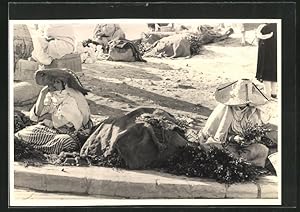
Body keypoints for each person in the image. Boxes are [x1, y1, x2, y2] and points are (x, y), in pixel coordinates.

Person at [198, 79, 274, 167]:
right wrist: (234, 138)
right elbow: (215, 136)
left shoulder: (253, 111)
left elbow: (256, 134)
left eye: (246, 103)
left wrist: (248, 140)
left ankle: (241, 163)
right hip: (225, 145)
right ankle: (237, 162)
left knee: (262, 149)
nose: (243, 105)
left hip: (242, 148)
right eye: (240, 102)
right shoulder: (224, 109)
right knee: (213, 148)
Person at [15, 68, 92, 154]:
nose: (54, 85)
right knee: (25, 134)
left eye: (58, 82)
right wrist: (42, 94)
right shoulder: (52, 96)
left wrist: (47, 116)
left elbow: (67, 120)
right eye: (53, 82)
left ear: (65, 84)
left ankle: (38, 148)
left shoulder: (71, 98)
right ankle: (40, 147)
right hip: (48, 131)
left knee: (64, 142)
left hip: (67, 133)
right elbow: (37, 114)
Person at [255, 23, 277, 99]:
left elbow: (259, 36)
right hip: (276, 49)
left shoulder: (264, 27)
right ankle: (274, 93)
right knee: (275, 68)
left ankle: (267, 95)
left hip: (266, 50)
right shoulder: (277, 25)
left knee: (265, 70)